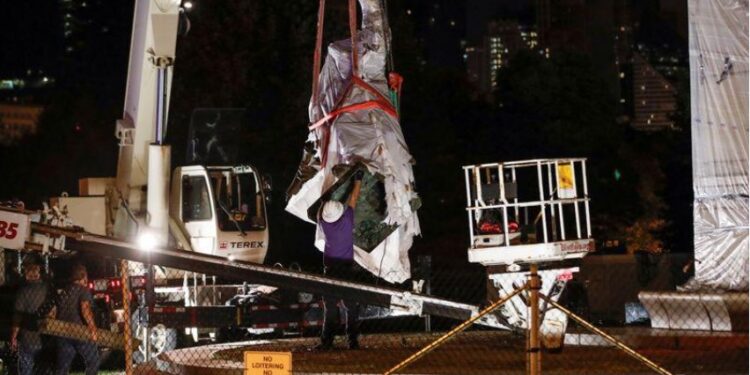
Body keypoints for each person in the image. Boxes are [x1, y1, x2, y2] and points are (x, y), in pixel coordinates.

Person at [316, 169, 364, 350]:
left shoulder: (323, 224)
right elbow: (353, 199)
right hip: (346, 270)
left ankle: (327, 342)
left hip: (330, 270)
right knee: (351, 307)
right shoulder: (347, 221)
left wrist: (323, 202)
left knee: (330, 308)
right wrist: (358, 179)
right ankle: (353, 341)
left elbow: (320, 213)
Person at [55, 263, 99, 375]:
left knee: (63, 366)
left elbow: (55, 310)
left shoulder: (64, 291)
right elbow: (85, 309)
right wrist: (93, 329)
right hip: (79, 331)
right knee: (93, 360)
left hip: (63, 331)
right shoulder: (83, 290)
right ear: (84, 276)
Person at [11, 256, 49, 375]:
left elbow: (18, 315)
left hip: (28, 333)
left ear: (27, 274)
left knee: (26, 363)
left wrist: (13, 336)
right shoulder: (46, 289)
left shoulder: (23, 291)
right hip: (45, 333)